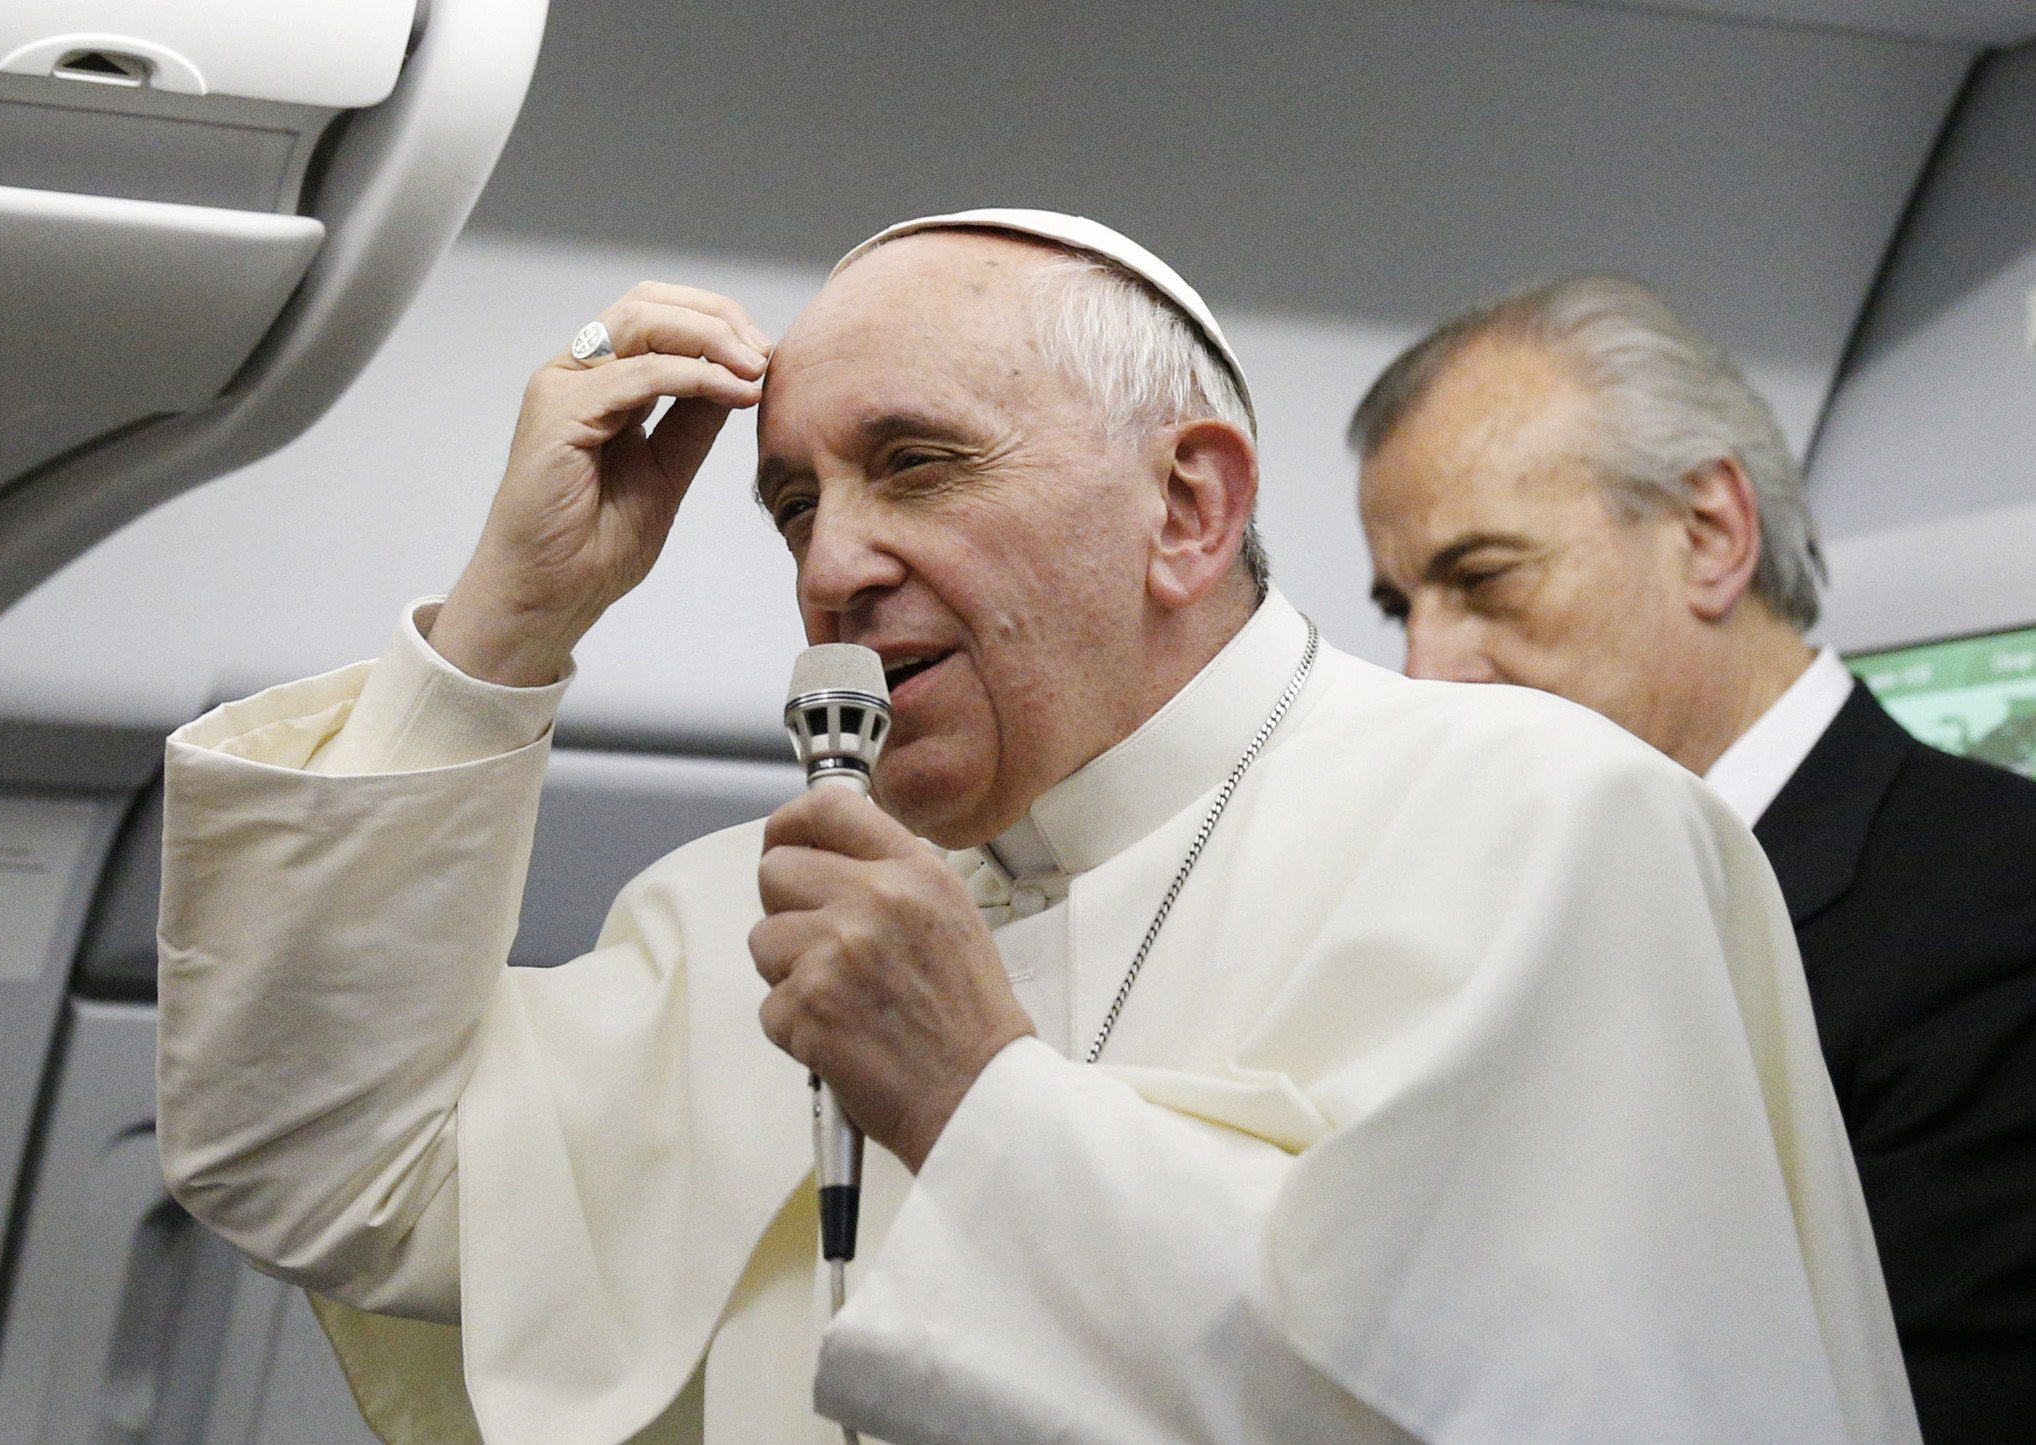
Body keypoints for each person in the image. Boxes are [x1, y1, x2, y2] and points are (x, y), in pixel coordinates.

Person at [159, 213, 1915, 1444]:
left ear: (1187, 503)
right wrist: (507, 627)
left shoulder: (1546, 827)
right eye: (792, 502)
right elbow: (313, 1162)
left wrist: (978, 1102)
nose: (832, 561)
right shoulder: (753, 912)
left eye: (914, 465)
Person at [1350, 273, 2036, 1443]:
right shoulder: (1499, 916)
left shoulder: (1995, 909)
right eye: (1399, 603)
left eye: (1482, 577)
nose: (1425, 668)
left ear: (1710, 534)